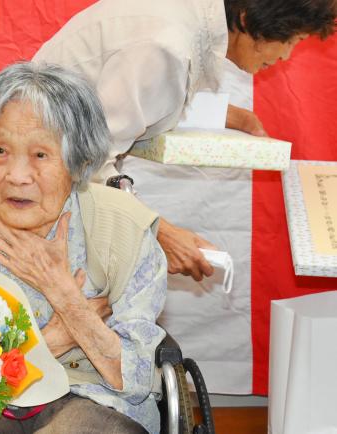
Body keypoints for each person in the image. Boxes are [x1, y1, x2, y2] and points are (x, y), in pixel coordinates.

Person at [0, 62, 167, 434]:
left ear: (80, 162)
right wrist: (58, 336)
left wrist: (63, 292)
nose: (17, 176)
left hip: (95, 396)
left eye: (40, 156)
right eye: (1, 150)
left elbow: (135, 380)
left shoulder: (124, 228)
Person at [33, 0, 337, 281]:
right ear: (249, 19)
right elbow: (89, 160)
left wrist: (230, 116)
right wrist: (157, 232)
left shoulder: (182, 21)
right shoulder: (167, 42)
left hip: (43, 175)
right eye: (292, 41)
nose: (285, 57)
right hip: (33, 187)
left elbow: (141, 99)